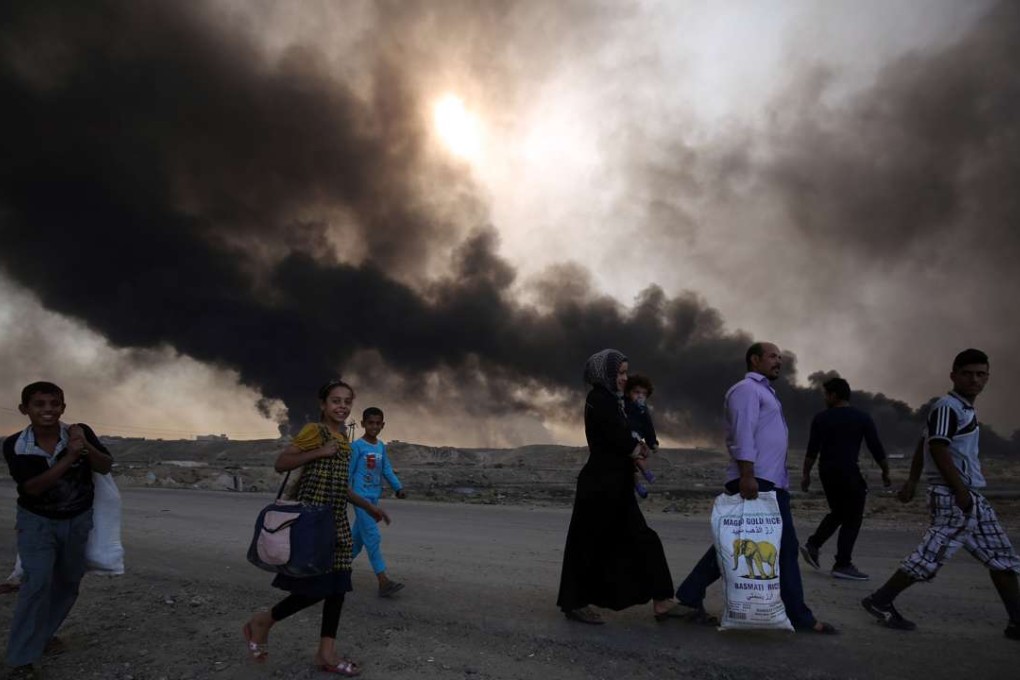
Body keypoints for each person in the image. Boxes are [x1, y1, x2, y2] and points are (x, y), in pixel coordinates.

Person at [674, 343, 836, 633]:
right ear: (755, 359)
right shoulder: (746, 390)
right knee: (784, 549)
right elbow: (742, 433)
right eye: (773, 356)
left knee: (734, 542)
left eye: (780, 358)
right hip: (756, 480)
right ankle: (800, 617)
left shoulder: (766, 392)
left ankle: (688, 595)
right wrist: (747, 474)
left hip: (769, 480)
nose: (779, 362)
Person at [862, 349, 1020, 640]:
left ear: (987, 377)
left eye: (980, 374)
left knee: (1003, 558)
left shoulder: (962, 409)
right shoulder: (948, 406)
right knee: (930, 556)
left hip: (968, 494)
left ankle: (1017, 622)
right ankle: (880, 600)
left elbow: (926, 442)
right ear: (953, 375)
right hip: (953, 494)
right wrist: (959, 491)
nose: (974, 379)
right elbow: (937, 446)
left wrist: (912, 480)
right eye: (967, 373)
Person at [243, 380, 391, 676]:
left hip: (336, 520)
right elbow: (282, 463)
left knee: (338, 587)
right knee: (317, 587)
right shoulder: (315, 432)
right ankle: (264, 620)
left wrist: (369, 506)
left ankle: (326, 653)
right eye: (335, 401)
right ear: (323, 405)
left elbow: (342, 486)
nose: (342, 406)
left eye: (347, 402)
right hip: (313, 520)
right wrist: (319, 452)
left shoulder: (346, 443)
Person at [556, 349, 680, 624]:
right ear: (606, 374)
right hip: (601, 485)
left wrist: (638, 445)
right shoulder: (599, 399)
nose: (625, 378)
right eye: (620, 373)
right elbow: (617, 436)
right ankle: (574, 603)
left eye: (625, 372)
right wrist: (636, 448)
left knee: (640, 539)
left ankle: (662, 599)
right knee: (586, 545)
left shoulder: (613, 401)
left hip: (615, 484)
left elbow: (625, 434)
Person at [2, 382, 114, 677]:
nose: (48, 410)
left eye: (55, 404)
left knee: (66, 583)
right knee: (36, 583)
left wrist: (85, 446)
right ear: (24, 409)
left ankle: (41, 636)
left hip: (77, 521)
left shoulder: (79, 433)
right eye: (39, 404)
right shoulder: (15, 445)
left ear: (63, 407)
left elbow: (104, 466)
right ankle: (20, 659)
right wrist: (69, 457)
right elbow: (33, 488)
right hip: (37, 521)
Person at [799, 377, 892, 580]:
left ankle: (814, 544)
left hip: (827, 472)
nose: (825, 398)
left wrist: (806, 475)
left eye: (826, 394)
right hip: (849, 472)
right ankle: (842, 563)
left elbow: (812, 451)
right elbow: (875, 447)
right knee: (853, 517)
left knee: (840, 512)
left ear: (834, 395)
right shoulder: (862, 418)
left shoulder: (821, 418)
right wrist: (885, 471)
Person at [349, 407, 406, 598]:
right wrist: (344, 496)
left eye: (377, 423)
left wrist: (398, 487)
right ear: (363, 423)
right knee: (373, 537)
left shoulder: (381, 446)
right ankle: (383, 581)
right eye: (370, 423)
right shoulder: (356, 447)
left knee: (356, 541)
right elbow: (348, 474)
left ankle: (333, 570)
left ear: (383, 425)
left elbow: (386, 469)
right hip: (360, 499)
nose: (374, 426)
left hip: (374, 497)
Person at [624, 374, 658, 499]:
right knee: (631, 465)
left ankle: (646, 473)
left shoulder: (644, 411)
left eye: (643, 394)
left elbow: (649, 427)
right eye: (636, 392)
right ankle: (637, 485)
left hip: (636, 438)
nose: (640, 396)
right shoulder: (625, 405)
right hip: (626, 438)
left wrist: (652, 442)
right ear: (628, 393)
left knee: (638, 458)